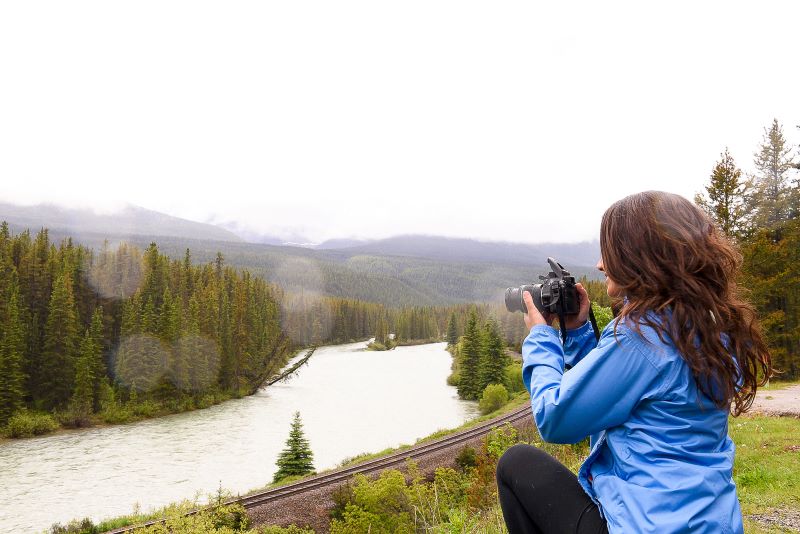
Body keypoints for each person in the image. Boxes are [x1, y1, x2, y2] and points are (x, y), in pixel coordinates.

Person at [496, 191, 772, 534]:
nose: (600, 264)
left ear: (639, 257)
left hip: (648, 526)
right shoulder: (708, 326)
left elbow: (555, 419)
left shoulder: (643, 336)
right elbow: (618, 392)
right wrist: (580, 332)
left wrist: (540, 337)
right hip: (711, 522)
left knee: (516, 464)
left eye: (609, 252)